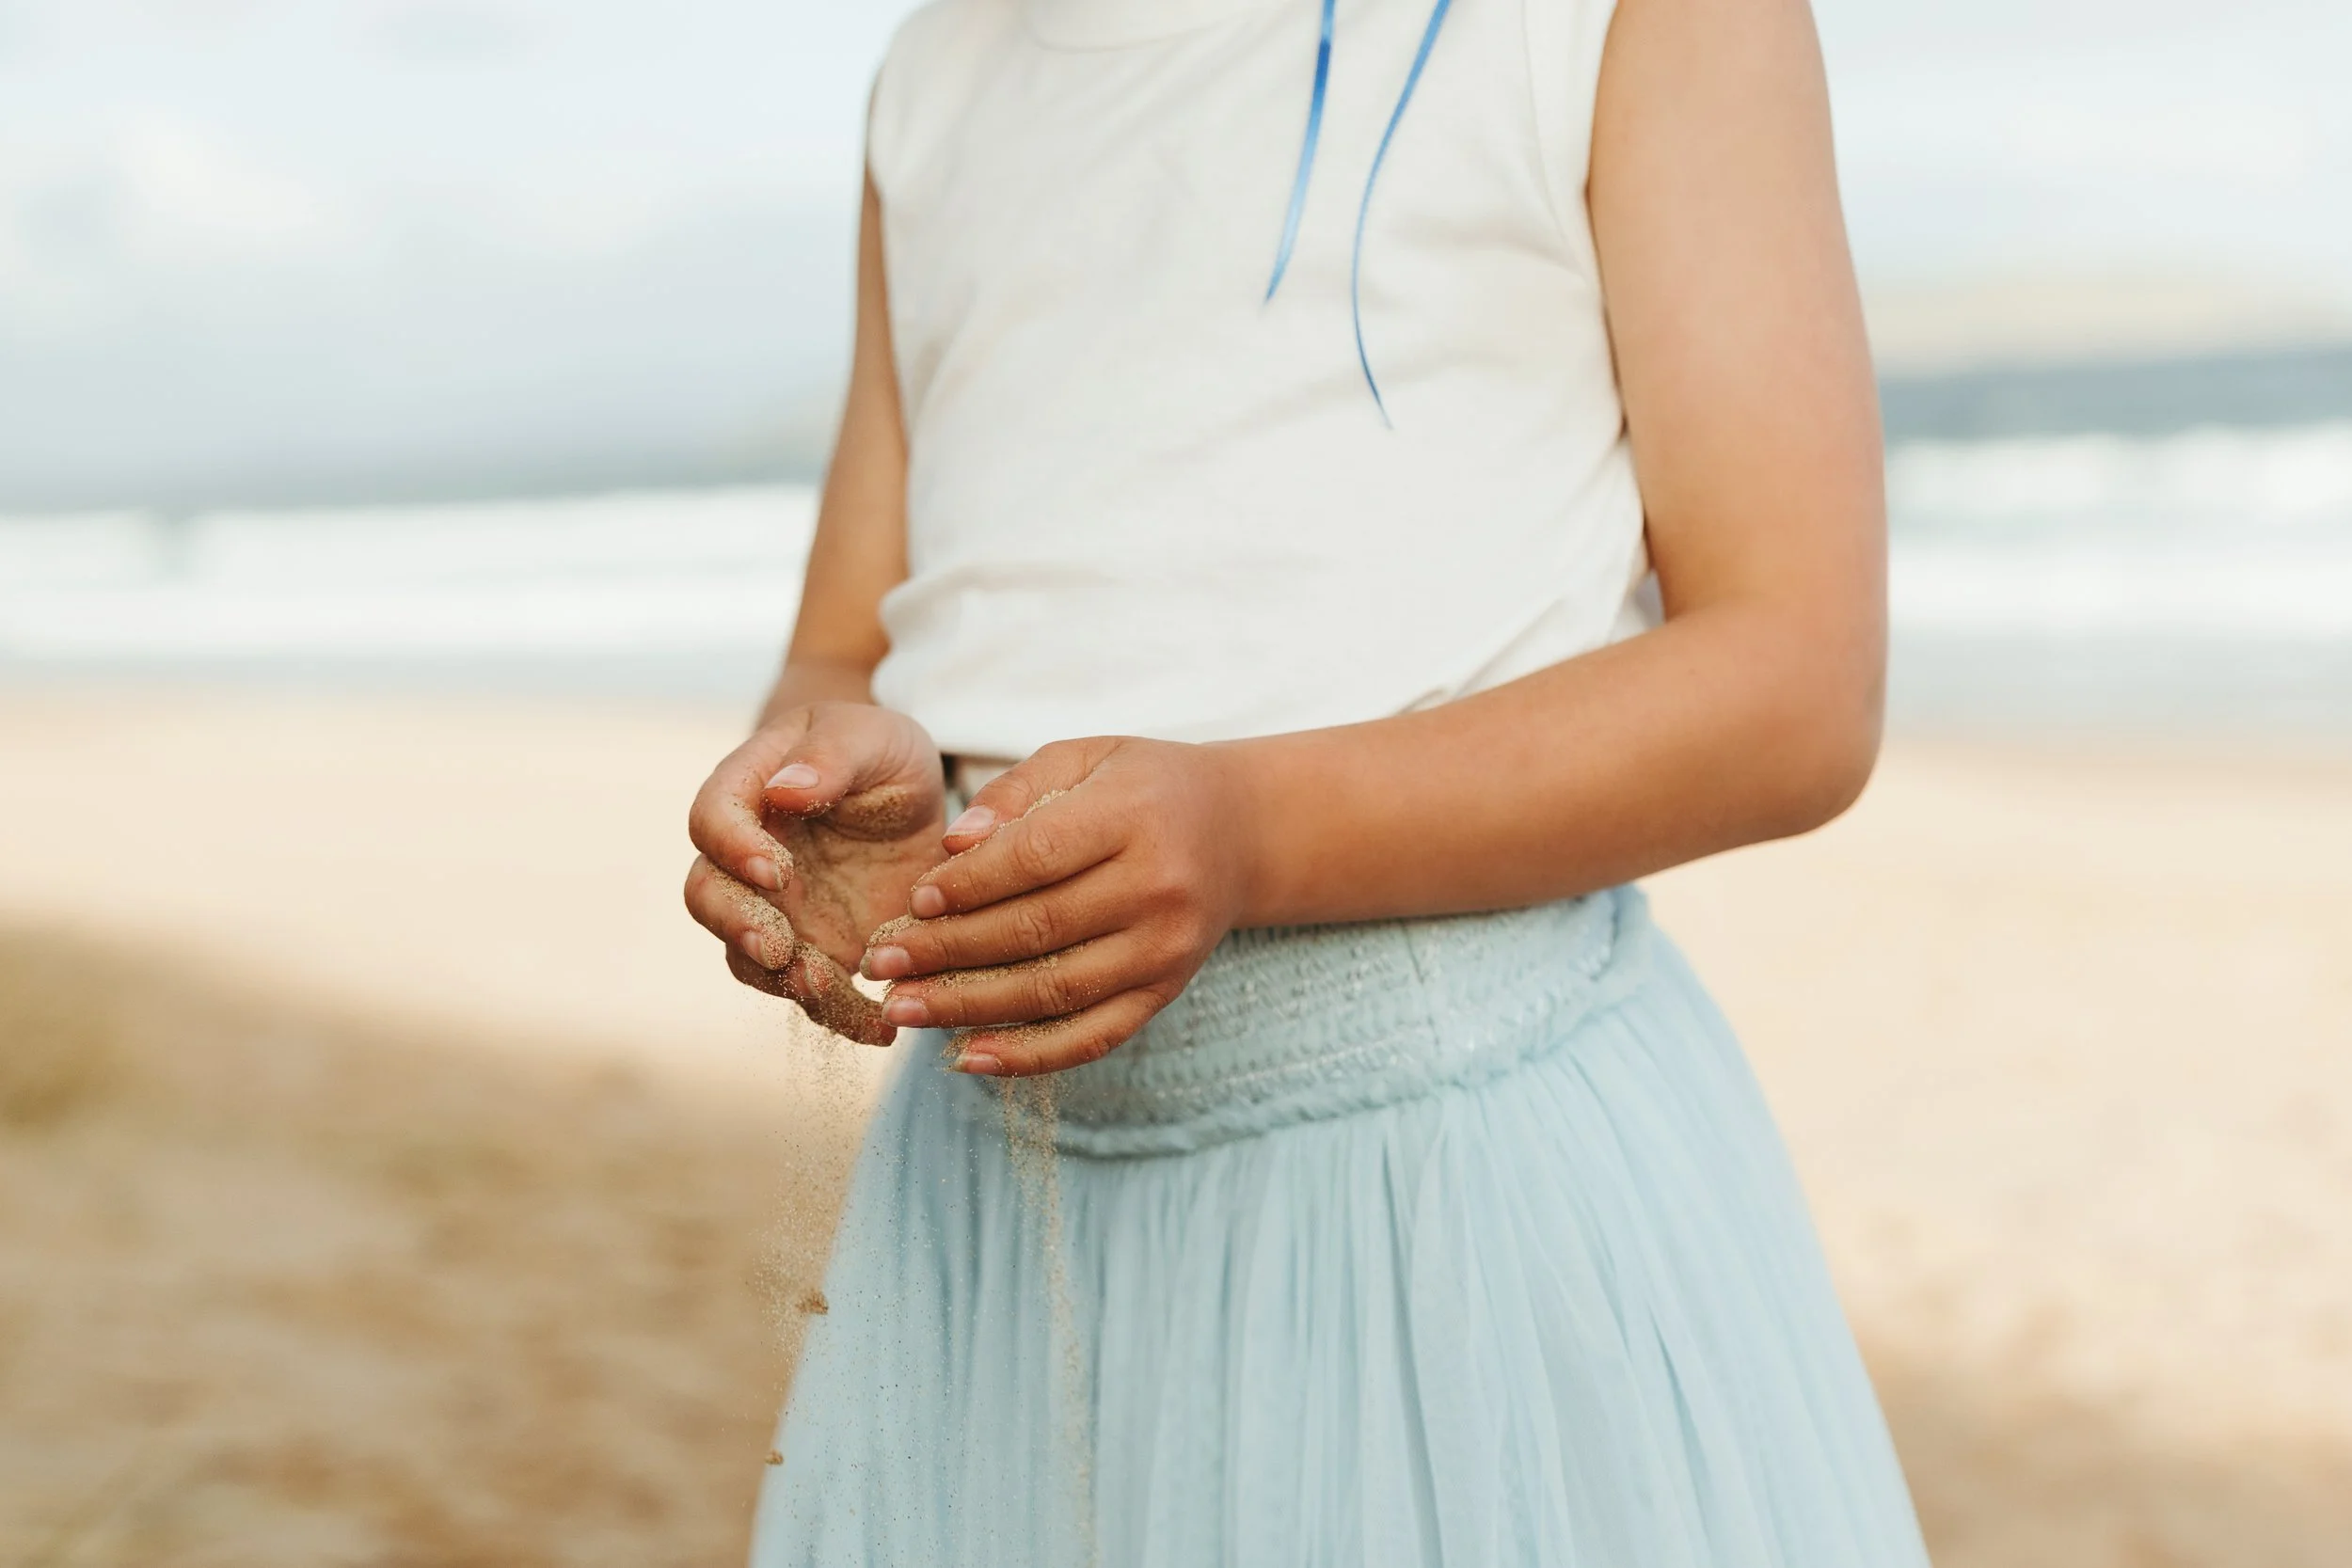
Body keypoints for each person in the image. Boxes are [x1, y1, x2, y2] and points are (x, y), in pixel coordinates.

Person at [684, 0, 1931, 1558]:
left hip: (1455, 1192)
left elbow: (1800, 684)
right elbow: (844, 651)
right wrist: (851, 786)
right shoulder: (940, 72)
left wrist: (1253, 831)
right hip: (994, 1214)